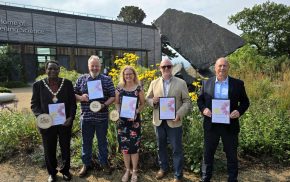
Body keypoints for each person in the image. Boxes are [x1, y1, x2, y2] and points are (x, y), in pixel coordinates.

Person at [197, 57, 250, 182]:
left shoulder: (238, 84)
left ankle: (232, 179)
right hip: (211, 125)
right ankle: (205, 178)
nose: (222, 68)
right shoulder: (206, 83)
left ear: (228, 68)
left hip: (230, 125)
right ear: (215, 68)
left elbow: (245, 102)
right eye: (219, 66)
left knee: (231, 155)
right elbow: (200, 100)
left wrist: (239, 111)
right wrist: (203, 109)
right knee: (208, 154)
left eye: (224, 66)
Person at [146, 57, 191, 182]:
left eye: (168, 66)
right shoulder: (153, 83)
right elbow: (147, 98)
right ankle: (163, 168)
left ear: (172, 68)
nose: (166, 69)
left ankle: (177, 174)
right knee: (161, 147)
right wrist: (152, 101)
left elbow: (187, 101)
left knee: (177, 148)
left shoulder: (180, 83)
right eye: (163, 67)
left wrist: (180, 113)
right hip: (159, 122)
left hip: (174, 121)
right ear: (160, 69)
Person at [31, 60, 77, 182]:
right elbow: (34, 105)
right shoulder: (38, 85)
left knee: (65, 148)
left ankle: (65, 171)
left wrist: (71, 117)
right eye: (50, 69)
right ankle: (52, 173)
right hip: (47, 124)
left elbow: (73, 103)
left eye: (55, 69)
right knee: (49, 149)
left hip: (64, 123)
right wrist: (42, 117)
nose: (52, 71)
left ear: (59, 70)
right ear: (45, 70)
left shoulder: (67, 84)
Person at [74, 55, 115, 177]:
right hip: (86, 118)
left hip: (101, 118)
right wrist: (81, 97)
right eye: (92, 66)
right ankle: (86, 164)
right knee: (86, 142)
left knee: (102, 142)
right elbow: (73, 93)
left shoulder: (107, 80)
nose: (95, 68)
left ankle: (104, 163)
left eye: (97, 65)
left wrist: (104, 105)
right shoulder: (81, 79)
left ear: (100, 66)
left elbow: (113, 96)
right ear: (88, 66)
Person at [115, 66, 145, 182]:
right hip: (122, 122)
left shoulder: (139, 88)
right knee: (125, 147)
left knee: (134, 147)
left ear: (134, 75)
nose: (128, 76)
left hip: (134, 122)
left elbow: (142, 104)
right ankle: (127, 170)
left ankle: (135, 171)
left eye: (130, 74)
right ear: (123, 75)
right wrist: (118, 110)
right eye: (126, 74)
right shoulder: (119, 88)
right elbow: (117, 103)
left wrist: (136, 112)